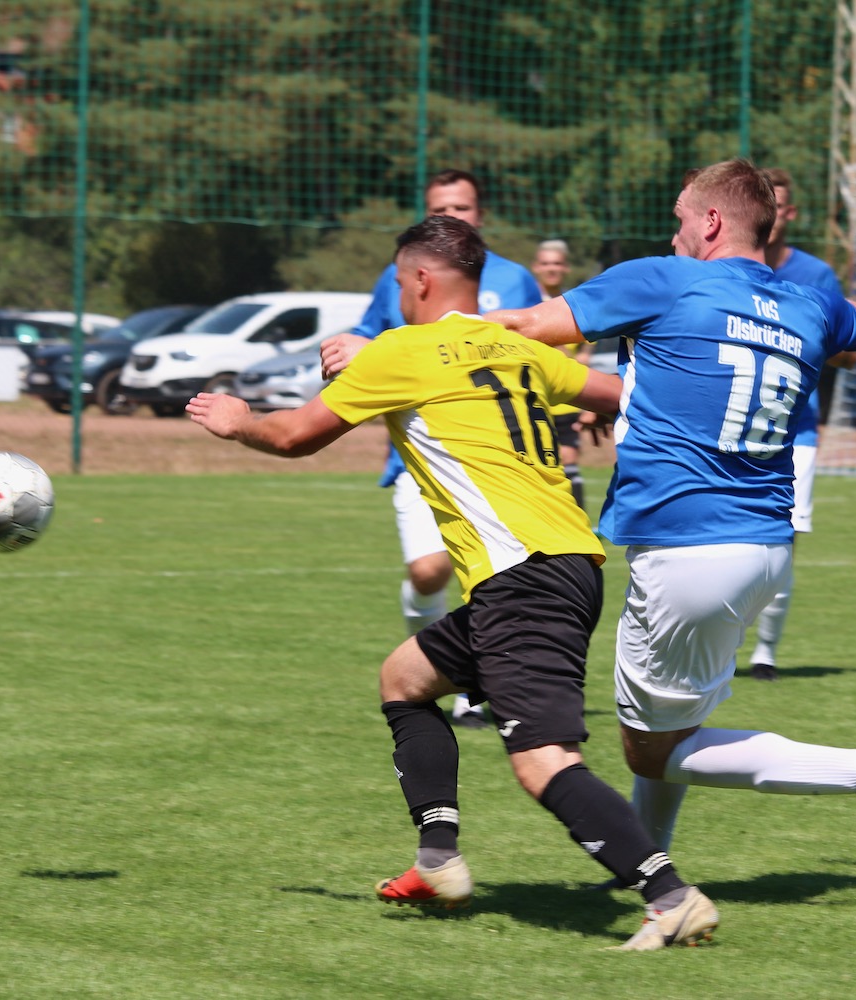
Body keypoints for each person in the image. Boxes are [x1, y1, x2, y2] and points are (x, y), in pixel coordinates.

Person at [189, 215, 719, 951]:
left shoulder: (399, 352)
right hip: (567, 562)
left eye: (398, 282)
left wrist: (239, 418)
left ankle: (670, 896)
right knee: (404, 679)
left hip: (523, 578)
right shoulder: (518, 347)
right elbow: (618, 393)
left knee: (543, 764)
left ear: (419, 279)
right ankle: (438, 859)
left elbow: (293, 435)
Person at [487, 159, 856, 875]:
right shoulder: (810, 303)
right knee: (673, 726)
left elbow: (527, 326)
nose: (674, 233)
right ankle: (646, 866)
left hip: (688, 547)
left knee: (650, 750)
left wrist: (393, 350)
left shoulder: (665, 279)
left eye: (682, 217)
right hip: (763, 548)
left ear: (712, 221)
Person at [321, 169, 543, 729]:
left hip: (497, 460)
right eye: (440, 209)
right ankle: (432, 663)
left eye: (461, 208)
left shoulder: (514, 280)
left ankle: (472, 691)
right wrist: (354, 351)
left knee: (490, 572)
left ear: (480, 214)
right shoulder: (397, 276)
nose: (452, 217)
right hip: (421, 455)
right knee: (427, 571)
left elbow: (537, 349)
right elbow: (371, 340)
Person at [745, 169, 856, 682]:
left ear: (789, 214)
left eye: (780, 205)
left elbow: (850, 354)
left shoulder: (815, 274)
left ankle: (765, 652)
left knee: (782, 541)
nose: (772, 213)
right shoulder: (720, 268)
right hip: (724, 425)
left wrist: (800, 338)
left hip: (796, 431)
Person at [531, 239, 590, 509]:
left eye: (556, 263)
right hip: (532, 397)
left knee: (568, 460)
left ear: (566, 268)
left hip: (566, 400)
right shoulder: (525, 303)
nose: (551, 269)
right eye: (545, 263)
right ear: (536, 267)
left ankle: (579, 523)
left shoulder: (575, 305)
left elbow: (585, 352)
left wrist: (579, 354)